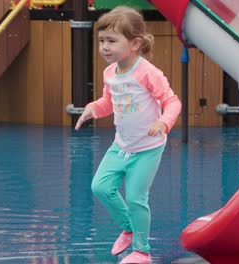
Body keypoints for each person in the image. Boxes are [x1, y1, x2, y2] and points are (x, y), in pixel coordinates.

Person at [75, 6, 182, 264]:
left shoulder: (147, 73)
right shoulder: (110, 73)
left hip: (148, 147)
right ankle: (129, 226)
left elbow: (173, 102)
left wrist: (163, 123)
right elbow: (109, 102)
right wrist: (92, 109)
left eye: (111, 41)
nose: (104, 47)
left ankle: (142, 251)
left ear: (134, 44)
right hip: (121, 145)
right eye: (101, 41)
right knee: (100, 187)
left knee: (136, 198)